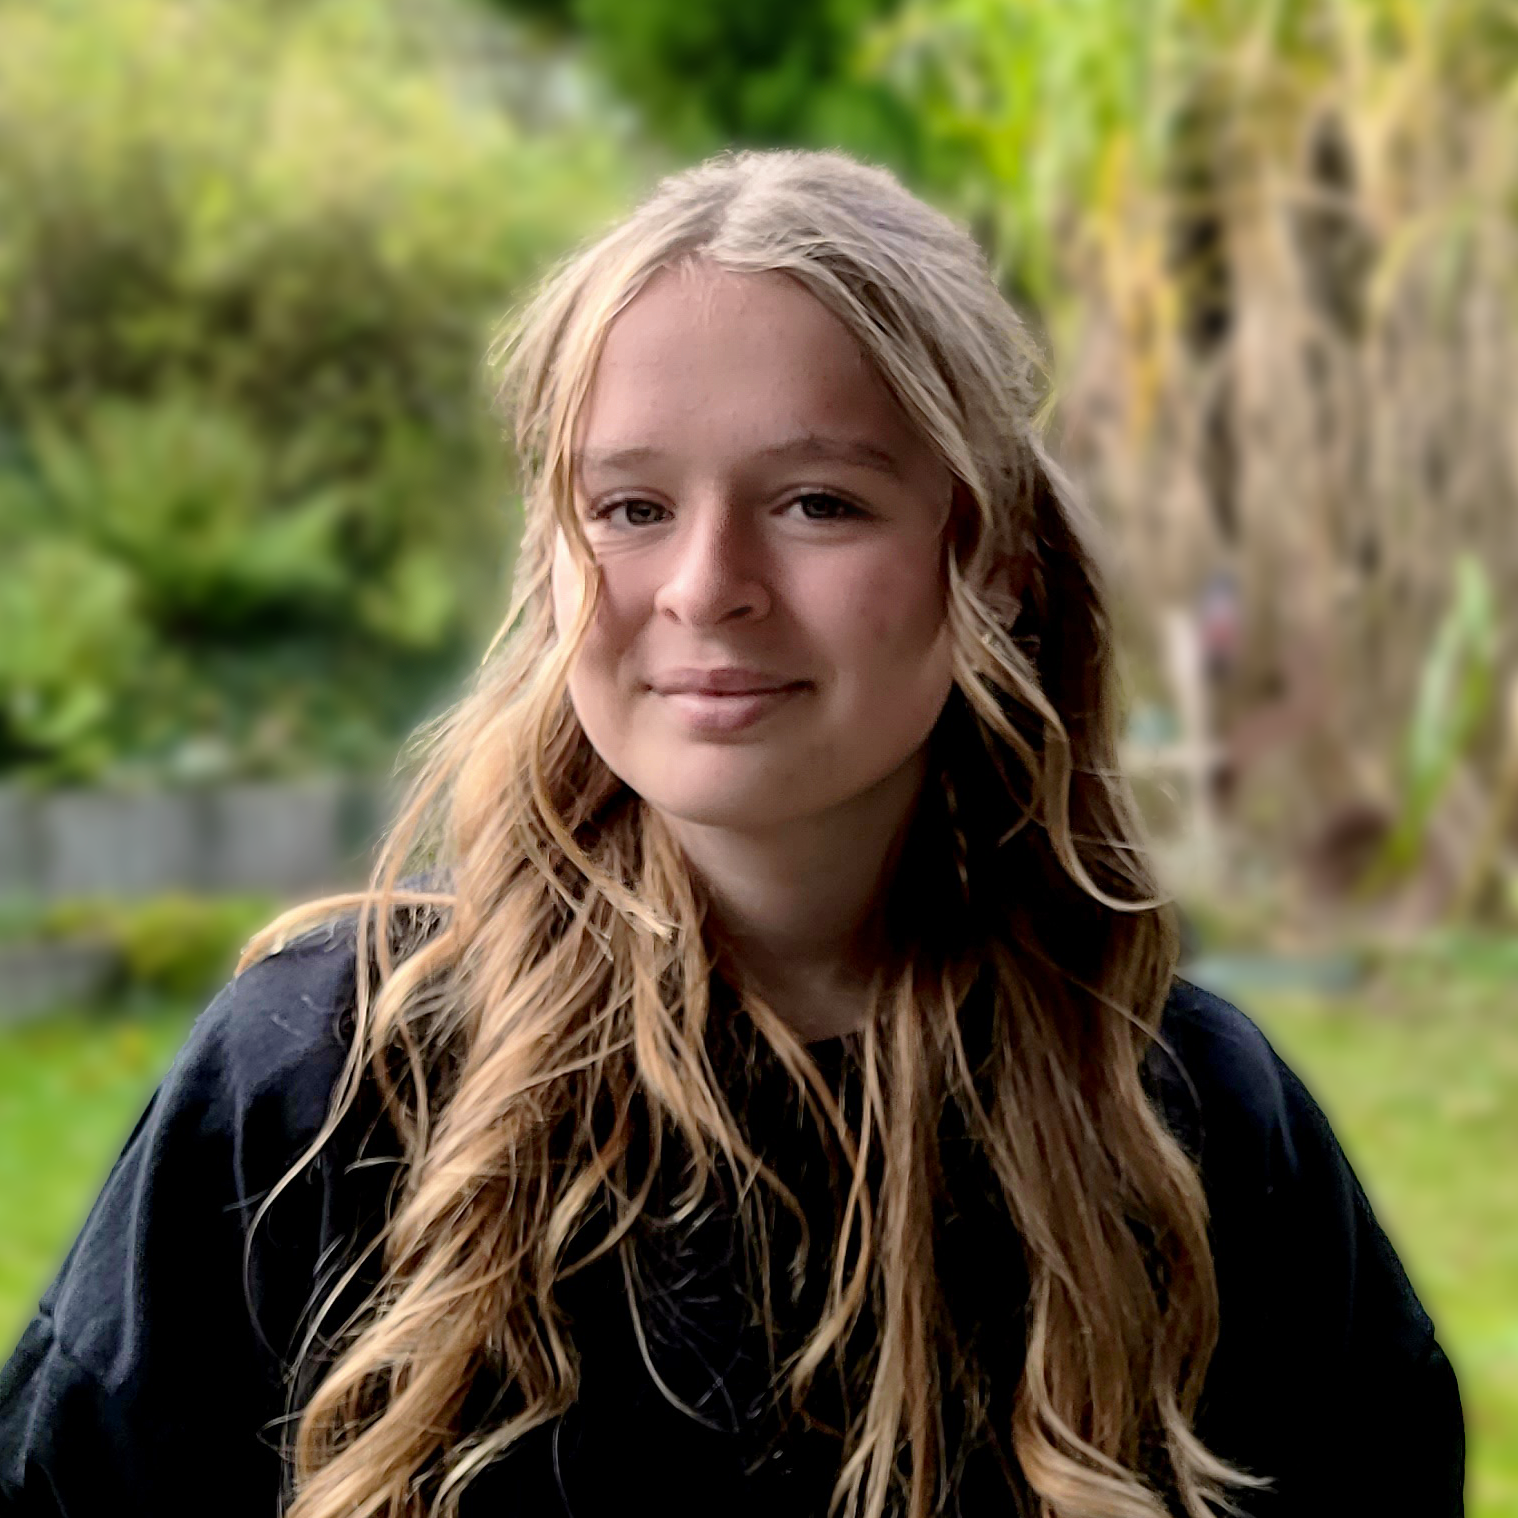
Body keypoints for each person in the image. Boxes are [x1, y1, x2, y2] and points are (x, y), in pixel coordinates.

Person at [0, 150, 1463, 1518]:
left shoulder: (1188, 1126)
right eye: (630, 506)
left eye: (819, 503)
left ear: (998, 568)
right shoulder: (317, 1087)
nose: (705, 585)